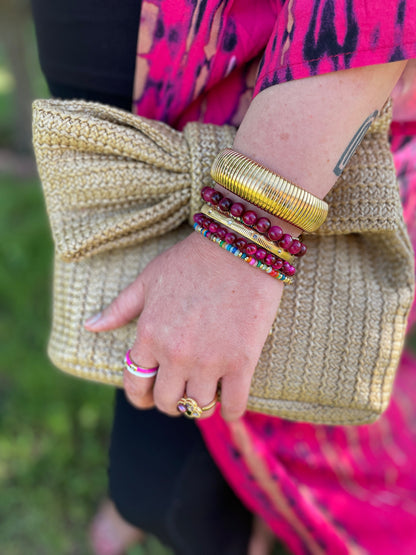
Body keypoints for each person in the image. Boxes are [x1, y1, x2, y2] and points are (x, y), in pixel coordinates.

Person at [31, 1, 416, 554]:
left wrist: (242, 238)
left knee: (176, 485)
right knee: (147, 389)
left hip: (282, 126)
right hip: (120, 87)